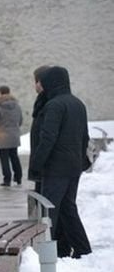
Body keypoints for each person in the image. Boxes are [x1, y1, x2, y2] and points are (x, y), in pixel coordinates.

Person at [30, 66, 92, 259]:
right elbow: (84, 137)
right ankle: (83, 250)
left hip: (56, 167)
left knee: (50, 212)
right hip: (73, 166)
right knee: (67, 208)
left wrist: (36, 164)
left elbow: (48, 138)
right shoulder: (78, 104)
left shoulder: (54, 105)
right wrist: (81, 161)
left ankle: (47, 256)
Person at [0, 85, 23, 186]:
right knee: (14, 156)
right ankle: (18, 177)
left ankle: (7, 179)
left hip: (2, 137)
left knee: (4, 159)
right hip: (14, 136)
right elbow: (20, 120)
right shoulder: (17, 106)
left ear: (0, 92)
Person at [27, 65, 52, 193]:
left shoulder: (49, 103)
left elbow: (48, 136)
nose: (35, 85)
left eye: (37, 81)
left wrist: (37, 163)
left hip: (47, 165)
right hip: (41, 163)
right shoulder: (41, 101)